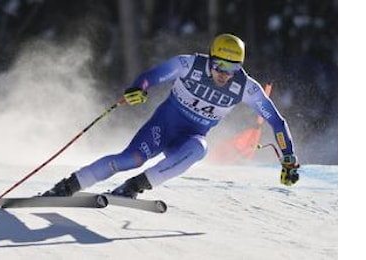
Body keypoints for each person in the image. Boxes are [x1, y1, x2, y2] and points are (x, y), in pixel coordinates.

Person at [42, 33, 300, 198]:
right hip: (162, 127)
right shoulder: (188, 65)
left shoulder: (246, 87)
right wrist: (138, 89)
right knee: (131, 159)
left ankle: (134, 187)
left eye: (232, 68)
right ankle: (68, 186)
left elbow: (276, 121)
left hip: (188, 138)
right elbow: (149, 77)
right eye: (220, 65)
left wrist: (288, 158)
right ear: (211, 59)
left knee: (200, 148)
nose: (224, 74)